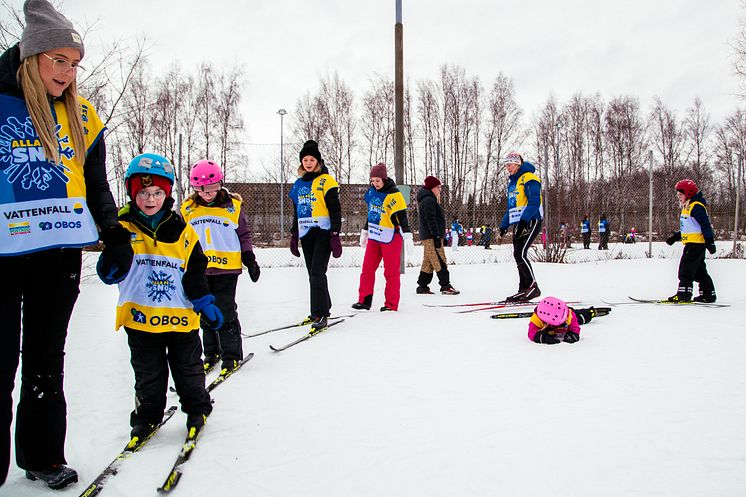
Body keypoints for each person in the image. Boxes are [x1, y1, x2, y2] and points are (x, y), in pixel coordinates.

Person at [0, 0, 129, 489]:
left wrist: (114, 232)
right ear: (32, 56)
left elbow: (95, 183)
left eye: (75, 64)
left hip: (58, 257)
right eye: (59, 60)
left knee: (45, 359)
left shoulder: (83, 115)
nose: (68, 72)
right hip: (3, 256)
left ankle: (42, 455)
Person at [97, 153, 218, 462]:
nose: (150, 199)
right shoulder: (122, 229)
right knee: (148, 376)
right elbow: (108, 269)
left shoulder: (182, 230)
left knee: (188, 371)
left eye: (157, 193)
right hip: (141, 322)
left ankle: (197, 409)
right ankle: (147, 417)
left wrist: (203, 300)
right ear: (131, 193)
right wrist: (112, 264)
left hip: (180, 322)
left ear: (167, 194)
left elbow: (195, 270)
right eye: (143, 193)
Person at [181, 159, 261, 375]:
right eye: (201, 190)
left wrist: (249, 258)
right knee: (205, 312)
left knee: (225, 311)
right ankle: (211, 352)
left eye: (211, 189)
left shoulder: (232, 207)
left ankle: (232, 355)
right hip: (199, 270)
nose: (206, 194)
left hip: (227, 269)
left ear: (219, 184)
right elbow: (181, 238)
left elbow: (243, 234)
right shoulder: (188, 209)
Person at [288, 140, 342, 329]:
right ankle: (322, 307)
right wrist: (294, 235)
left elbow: (335, 209)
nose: (308, 163)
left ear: (318, 161)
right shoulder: (298, 184)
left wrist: (335, 233)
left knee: (318, 272)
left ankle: (320, 313)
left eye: (312, 159)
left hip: (323, 233)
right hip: (306, 233)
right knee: (312, 273)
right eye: (305, 159)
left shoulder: (326, 181)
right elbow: (297, 211)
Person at [352, 163, 413, 311]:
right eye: (372, 181)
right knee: (367, 269)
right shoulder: (372, 192)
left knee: (391, 272)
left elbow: (402, 217)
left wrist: (408, 236)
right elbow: (371, 214)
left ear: (384, 179)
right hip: (374, 236)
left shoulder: (395, 195)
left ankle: (391, 304)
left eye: (377, 180)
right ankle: (364, 300)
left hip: (391, 238)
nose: (375, 183)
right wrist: (365, 231)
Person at [498, 153, 543, 302]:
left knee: (521, 253)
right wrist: (504, 226)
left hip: (531, 219)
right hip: (519, 222)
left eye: (510, 164)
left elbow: (534, 202)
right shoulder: (512, 183)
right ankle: (523, 289)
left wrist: (524, 220)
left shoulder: (529, 178)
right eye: (506, 165)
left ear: (518, 164)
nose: (507, 168)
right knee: (518, 254)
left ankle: (533, 287)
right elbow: (511, 207)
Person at [665, 179, 717, 302]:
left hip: (695, 245)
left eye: (680, 195)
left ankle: (683, 294)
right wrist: (675, 237)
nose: (679, 197)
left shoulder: (696, 207)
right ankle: (708, 294)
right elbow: (688, 228)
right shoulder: (687, 207)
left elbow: (705, 225)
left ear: (688, 193)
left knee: (685, 269)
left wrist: (710, 242)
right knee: (699, 272)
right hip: (693, 244)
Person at [416, 176, 459, 295]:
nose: (439, 189)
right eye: (438, 187)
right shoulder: (428, 200)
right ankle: (445, 285)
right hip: (431, 236)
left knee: (428, 261)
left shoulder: (430, 199)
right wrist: (435, 236)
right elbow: (430, 219)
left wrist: (441, 236)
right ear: (431, 188)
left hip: (432, 235)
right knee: (439, 260)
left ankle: (422, 286)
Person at [528, 297, 609, 344]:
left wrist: (573, 335)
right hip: (550, 325)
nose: (567, 317)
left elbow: (575, 329)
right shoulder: (536, 319)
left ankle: (590, 313)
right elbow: (531, 333)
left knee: (580, 318)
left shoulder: (569, 315)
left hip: (573, 316)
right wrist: (544, 337)